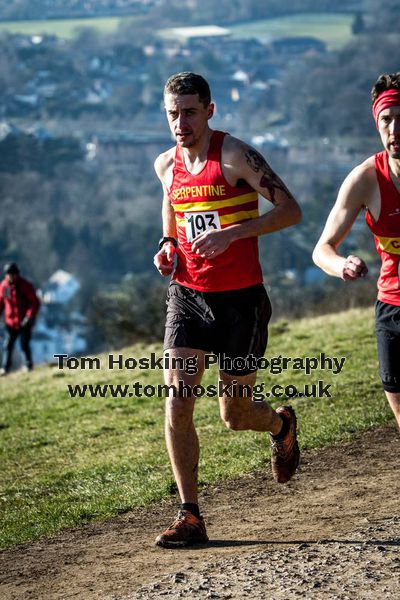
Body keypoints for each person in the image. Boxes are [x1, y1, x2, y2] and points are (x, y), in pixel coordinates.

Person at [153, 72, 302, 548]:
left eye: (190, 111)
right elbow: (172, 208)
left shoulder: (235, 155)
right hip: (188, 295)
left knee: (234, 415)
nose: (181, 122)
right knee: (177, 401)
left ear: (210, 111)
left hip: (241, 302)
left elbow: (291, 210)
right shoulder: (165, 164)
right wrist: (167, 244)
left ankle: (280, 424)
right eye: (173, 113)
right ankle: (190, 515)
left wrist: (233, 233)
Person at [313, 72, 400, 431]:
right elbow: (322, 249)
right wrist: (342, 264)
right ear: (376, 124)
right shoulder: (366, 179)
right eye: (386, 119)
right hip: (393, 309)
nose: (395, 128)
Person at [0, 262, 40, 375]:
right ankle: (5, 368)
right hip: (10, 322)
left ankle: (28, 365)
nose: (11, 277)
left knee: (24, 344)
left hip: (24, 322)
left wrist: (29, 316)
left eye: (13, 275)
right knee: (8, 345)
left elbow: (34, 302)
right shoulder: (4, 287)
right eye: (9, 275)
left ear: (17, 275)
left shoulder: (25, 286)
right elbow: (1, 303)